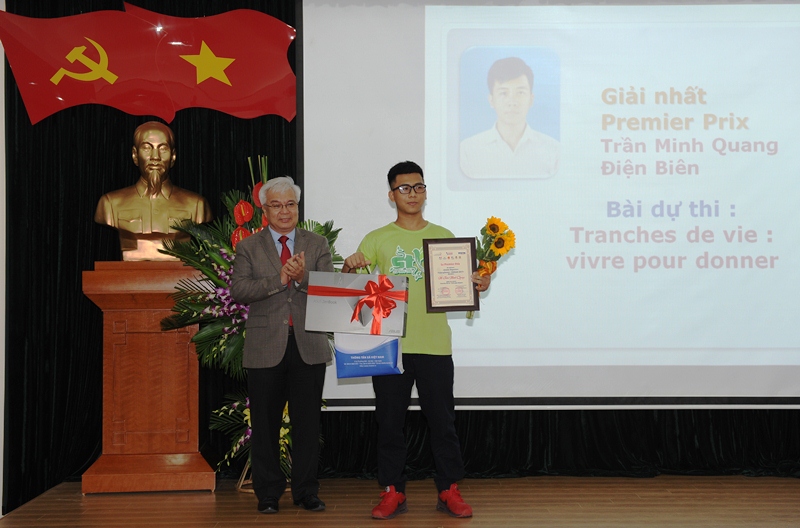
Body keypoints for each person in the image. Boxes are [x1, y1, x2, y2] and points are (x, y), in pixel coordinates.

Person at [342, 161, 490, 520]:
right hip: (389, 347)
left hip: (434, 344)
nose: (413, 194)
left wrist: (478, 284)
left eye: (419, 187)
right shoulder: (376, 239)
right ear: (391, 195)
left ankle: (449, 489)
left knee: (443, 422)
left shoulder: (444, 237)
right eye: (404, 188)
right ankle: (392, 491)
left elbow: (461, 286)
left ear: (425, 192)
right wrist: (348, 268)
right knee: (389, 423)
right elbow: (355, 293)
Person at [230, 176, 333, 515]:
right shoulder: (249, 246)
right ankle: (268, 493)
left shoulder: (316, 243)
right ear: (265, 210)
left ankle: (306, 491)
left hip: (308, 344)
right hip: (265, 346)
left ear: (297, 208)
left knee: (308, 425)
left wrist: (302, 278)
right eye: (277, 205)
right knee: (265, 425)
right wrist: (280, 279)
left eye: (291, 204)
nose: (285, 211)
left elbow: (330, 288)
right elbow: (239, 290)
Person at [94, 121, 212, 260]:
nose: (155, 157)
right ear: (135, 155)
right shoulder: (110, 203)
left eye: (163, 149)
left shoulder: (196, 205)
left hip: (179, 272)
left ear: (173, 157)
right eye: (147, 148)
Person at [459, 56, 560, 178]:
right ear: (491, 100)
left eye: (520, 92)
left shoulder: (554, 150)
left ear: (531, 99)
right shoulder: (468, 150)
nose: (512, 102)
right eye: (503, 93)